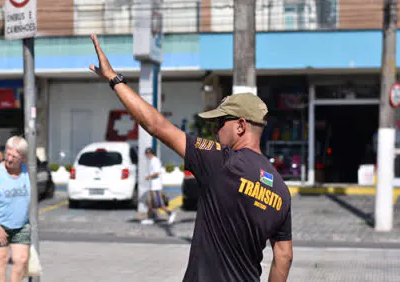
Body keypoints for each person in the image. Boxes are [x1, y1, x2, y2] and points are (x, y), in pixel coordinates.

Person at [89, 34, 293, 282]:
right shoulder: (281, 189)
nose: (216, 130)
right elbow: (284, 256)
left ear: (240, 126)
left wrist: (114, 79)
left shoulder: (222, 161)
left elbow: (156, 125)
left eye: (220, 122)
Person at [0, 136, 31, 282]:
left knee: (21, 260)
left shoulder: (27, 170)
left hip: (21, 224)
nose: (9, 159)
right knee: (1, 259)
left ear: (22, 158)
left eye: (14, 157)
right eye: (7, 154)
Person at [142, 147, 176, 225]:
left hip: (156, 187)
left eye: (147, 154)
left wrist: (148, 177)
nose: (146, 156)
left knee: (159, 204)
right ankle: (150, 218)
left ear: (150, 154)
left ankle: (170, 214)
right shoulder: (150, 161)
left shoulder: (155, 161)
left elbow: (157, 173)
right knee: (149, 203)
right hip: (151, 187)